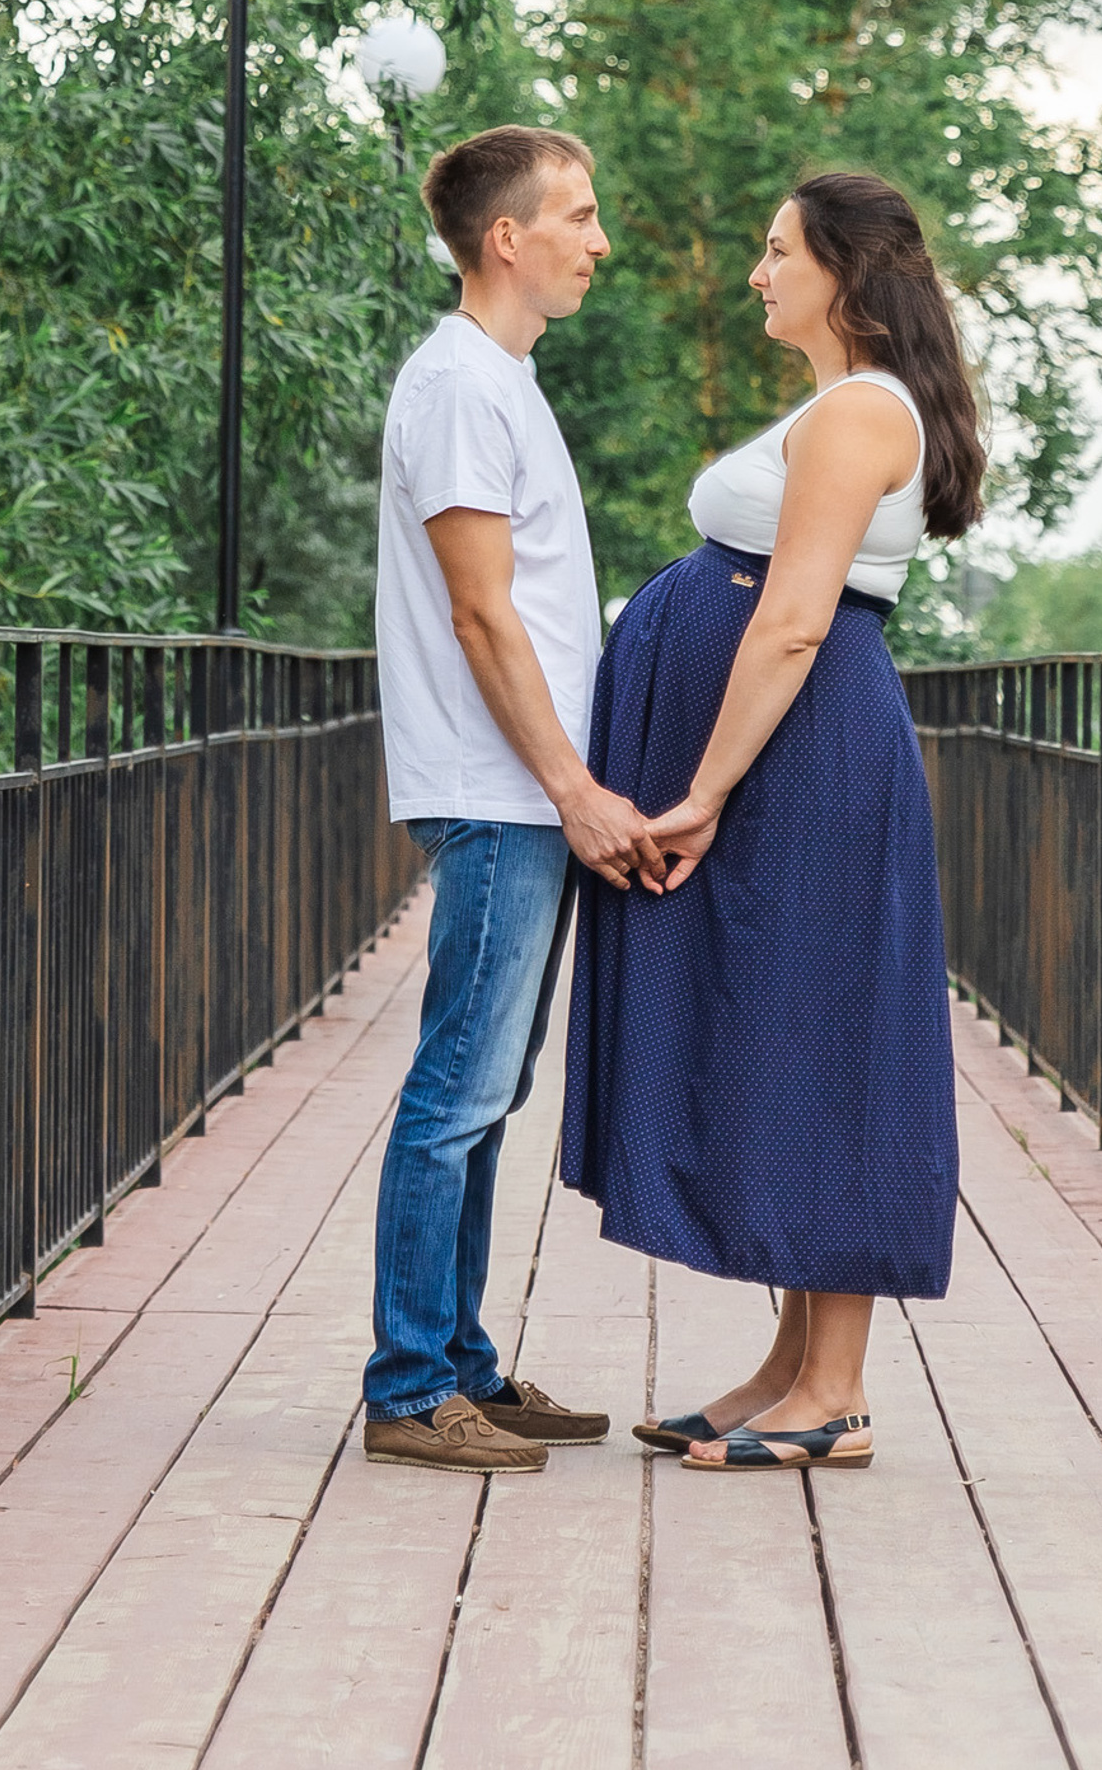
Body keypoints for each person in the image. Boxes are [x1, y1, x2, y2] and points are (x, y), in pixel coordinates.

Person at [561, 170, 984, 1473]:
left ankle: (838, 1396)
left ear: (843, 272)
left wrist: (705, 787)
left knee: (824, 1041)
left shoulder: (862, 412)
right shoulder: (835, 405)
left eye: (775, 250)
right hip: (786, 758)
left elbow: (793, 614)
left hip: (803, 765)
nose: (758, 271)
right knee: (783, 1038)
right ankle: (790, 1366)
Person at [362, 125, 670, 1474]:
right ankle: (411, 1384)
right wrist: (574, 787)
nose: (599, 243)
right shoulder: (456, 392)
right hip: (501, 792)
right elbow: (485, 619)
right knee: (457, 1091)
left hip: (522, 793)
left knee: (488, 1089)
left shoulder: (502, 384)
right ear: (509, 237)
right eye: (581, 218)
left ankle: (462, 1364)